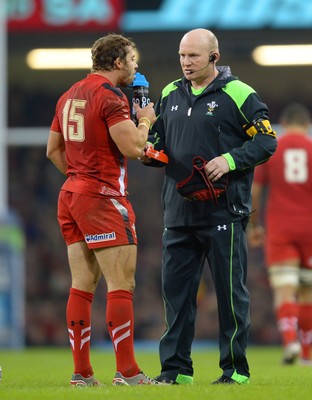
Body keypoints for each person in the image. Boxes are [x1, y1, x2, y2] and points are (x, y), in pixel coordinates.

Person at [141, 28, 277, 385]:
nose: (186, 63)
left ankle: (235, 371)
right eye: (182, 56)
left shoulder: (239, 93)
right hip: (179, 213)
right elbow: (158, 142)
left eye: (194, 56)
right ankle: (175, 371)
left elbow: (266, 140)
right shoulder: (169, 92)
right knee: (176, 297)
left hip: (224, 214)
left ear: (214, 57)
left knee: (231, 298)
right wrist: (149, 153)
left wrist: (231, 160)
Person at [46, 33, 159, 386]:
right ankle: (127, 371)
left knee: (82, 284)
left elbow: (53, 150)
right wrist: (146, 120)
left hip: (71, 196)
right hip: (103, 196)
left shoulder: (68, 95)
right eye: (132, 58)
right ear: (118, 63)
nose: (136, 65)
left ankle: (81, 374)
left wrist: (80, 178)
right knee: (121, 283)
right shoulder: (110, 96)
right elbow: (132, 147)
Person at [248, 103, 312, 365]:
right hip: (310, 228)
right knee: (308, 291)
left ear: (284, 125)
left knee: (285, 289)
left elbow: (255, 191)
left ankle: (290, 342)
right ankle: (307, 354)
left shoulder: (272, 149)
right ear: (307, 126)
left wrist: (254, 226)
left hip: (280, 228)